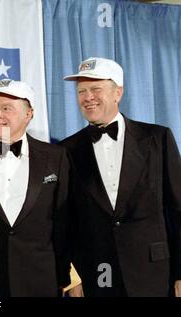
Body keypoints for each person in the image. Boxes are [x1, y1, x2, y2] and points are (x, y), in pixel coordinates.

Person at [60, 57, 181, 297]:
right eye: (81, 91)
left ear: (118, 92)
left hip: (153, 271)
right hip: (98, 273)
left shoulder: (158, 138)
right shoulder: (67, 150)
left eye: (95, 89)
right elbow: (66, 221)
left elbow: (178, 208)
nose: (87, 97)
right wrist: (73, 278)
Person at [0, 79, 71, 296]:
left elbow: (63, 221)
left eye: (6, 108)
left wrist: (61, 274)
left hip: (41, 279)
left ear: (28, 114)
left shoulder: (56, 157)